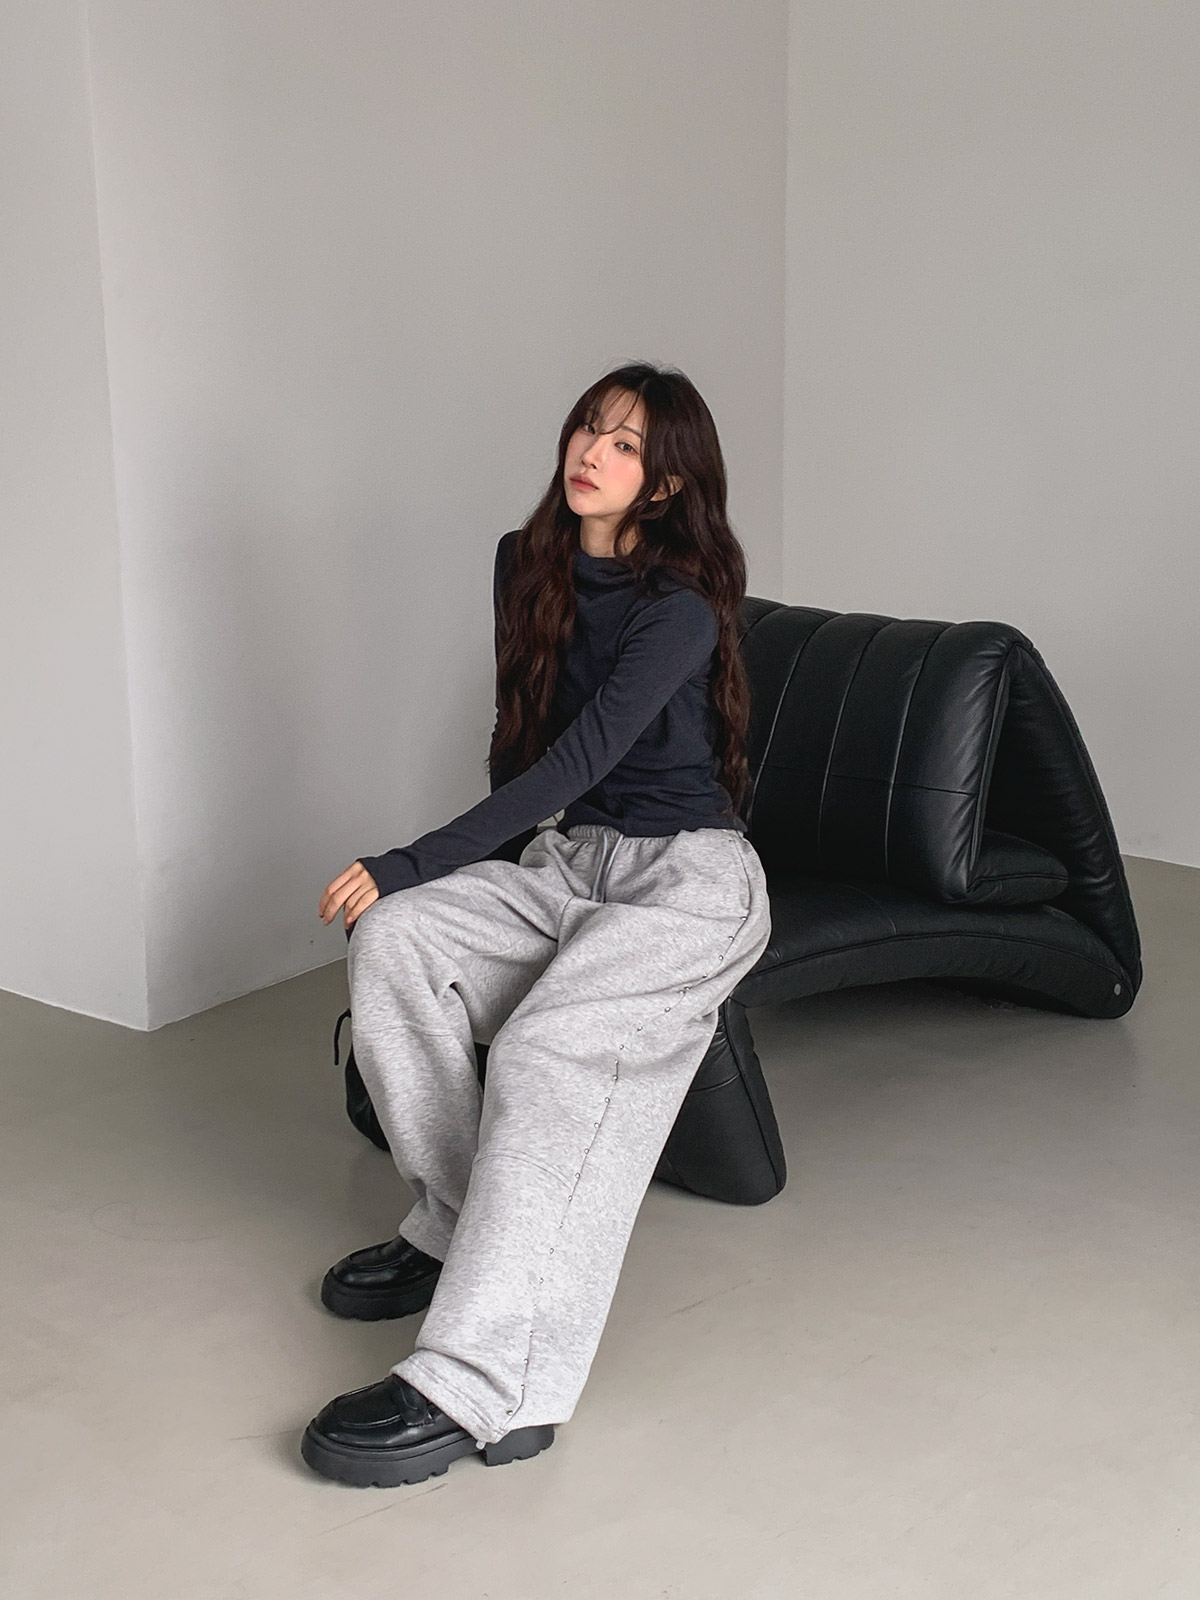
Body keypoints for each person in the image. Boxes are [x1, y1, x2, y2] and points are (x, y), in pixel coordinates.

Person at [301, 362, 773, 1488]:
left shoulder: (678, 608)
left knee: (549, 1050)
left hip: (688, 882)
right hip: (572, 865)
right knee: (399, 939)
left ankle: (486, 1384)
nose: (592, 453)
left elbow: (580, 760)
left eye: (626, 444)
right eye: (588, 428)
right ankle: (458, 1228)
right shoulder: (527, 562)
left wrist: (411, 858)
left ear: (666, 483)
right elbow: (521, 734)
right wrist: (443, 890)